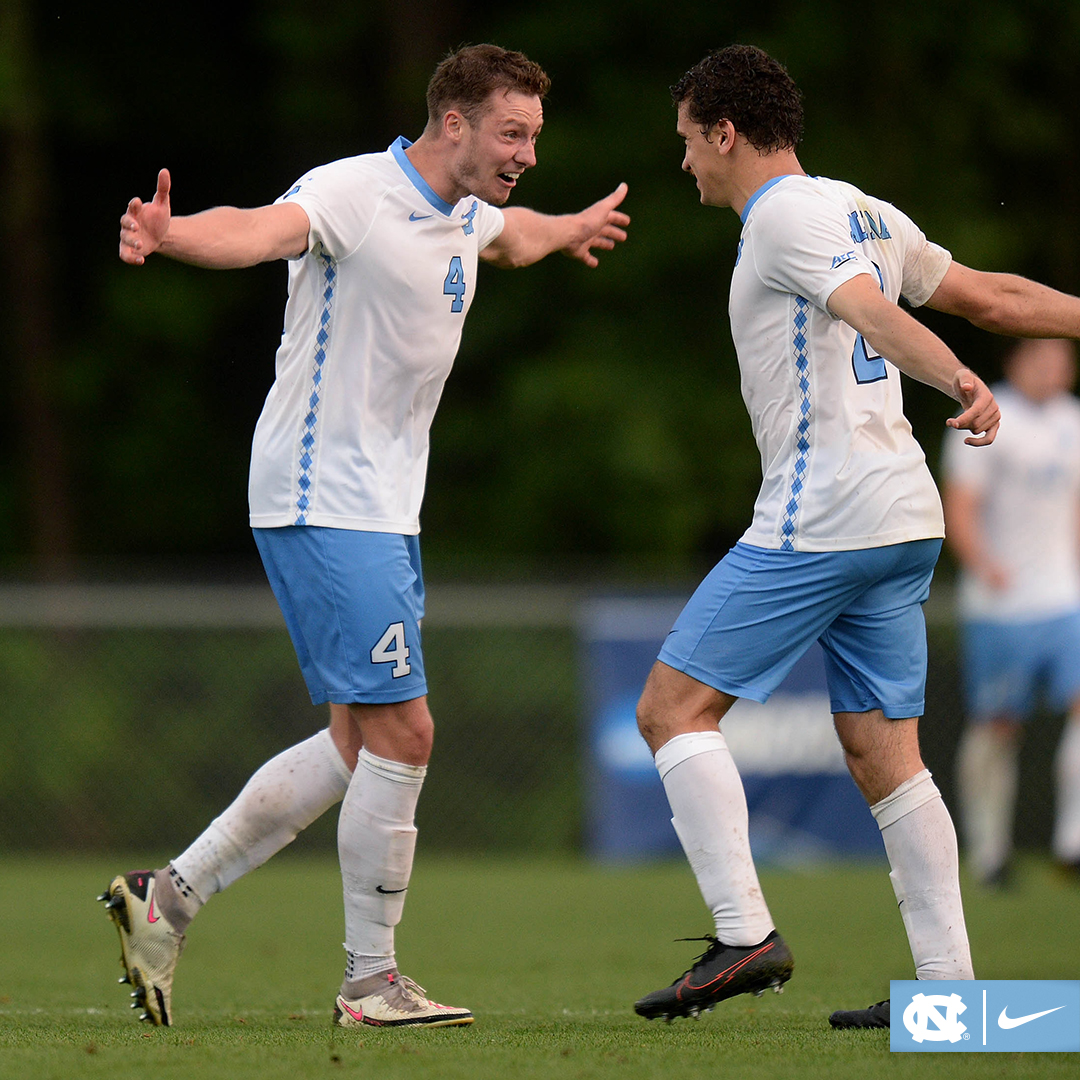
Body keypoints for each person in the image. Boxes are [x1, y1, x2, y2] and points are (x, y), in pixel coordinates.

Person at [100, 43, 629, 1030]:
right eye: (513, 133)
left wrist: (572, 229)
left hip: (382, 507)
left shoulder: (465, 215)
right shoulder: (353, 192)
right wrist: (172, 237)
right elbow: (261, 231)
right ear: (456, 122)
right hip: (322, 495)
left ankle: (166, 899)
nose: (528, 153)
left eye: (536, 137)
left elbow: (509, 237)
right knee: (406, 731)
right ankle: (370, 981)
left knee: (357, 743)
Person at [631, 43, 1080, 1032]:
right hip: (904, 520)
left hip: (825, 514)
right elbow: (995, 297)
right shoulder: (862, 209)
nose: (686, 166)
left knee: (670, 710)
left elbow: (873, 313)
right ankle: (952, 999)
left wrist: (960, 380)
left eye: (687, 144)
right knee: (886, 753)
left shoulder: (785, 215)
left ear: (725, 130)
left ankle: (744, 934)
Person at [944, 337, 1080, 888]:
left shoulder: (1074, 421)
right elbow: (961, 507)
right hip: (1001, 606)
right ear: (1015, 361)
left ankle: (1072, 842)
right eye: (1040, 357)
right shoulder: (987, 417)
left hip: (1064, 598)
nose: (1052, 368)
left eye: (1061, 358)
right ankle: (989, 851)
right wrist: (985, 565)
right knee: (999, 726)